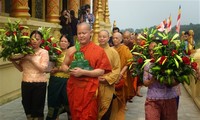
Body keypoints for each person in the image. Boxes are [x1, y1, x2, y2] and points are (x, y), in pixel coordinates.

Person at [61, 22, 112, 120]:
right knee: (75, 114)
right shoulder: (71, 50)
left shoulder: (98, 50)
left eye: (84, 33)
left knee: (89, 115)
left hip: (90, 89)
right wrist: (69, 70)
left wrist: (83, 72)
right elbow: (63, 65)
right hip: (74, 88)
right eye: (79, 33)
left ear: (91, 32)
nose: (81, 36)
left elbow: (101, 71)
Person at [11, 30, 49, 120]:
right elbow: (21, 69)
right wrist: (13, 61)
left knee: (37, 109)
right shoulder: (24, 52)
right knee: (27, 106)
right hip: (26, 82)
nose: (34, 41)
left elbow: (43, 69)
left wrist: (30, 59)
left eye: (37, 39)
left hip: (39, 84)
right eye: (32, 39)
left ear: (41, 41)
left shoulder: (44, 52)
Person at [143, 42, 179, 120]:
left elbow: (177, 80)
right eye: (149, 50)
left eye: (154, 50)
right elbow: (145, 82)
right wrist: (152, 80)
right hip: (152, 100)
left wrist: (167, 82)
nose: (151, 53)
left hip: (169, 99)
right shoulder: (147, 64)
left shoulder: (170, 64)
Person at [46, 35, 73, 120]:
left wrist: (58, 69)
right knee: (54, 104)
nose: (63, 43)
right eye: (61, 41)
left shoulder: (72, 53)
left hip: (67, 81)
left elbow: (72, 67)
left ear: (68, 43)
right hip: (55, 81)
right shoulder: (53, 52)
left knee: (69, 104)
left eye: (65, 41)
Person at [97, 30, 121, 120]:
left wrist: (106, 79)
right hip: (94, 85)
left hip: (107, 86)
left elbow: (117, 69)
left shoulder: (113, 52)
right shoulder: (94, 50)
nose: (102, 38)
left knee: (105, 112)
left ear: (108, 38)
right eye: (100, 36)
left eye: (104, 37)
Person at [110, 32, 133, 120]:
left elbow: (128, 62)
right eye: (114, 38)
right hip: (111, 75)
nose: (115, 40)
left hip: (122, 74)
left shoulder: (124, 49)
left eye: (117, 38)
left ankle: (121, 108)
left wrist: (121, 73)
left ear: (120, 40)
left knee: (121, 94)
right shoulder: (110, 49)